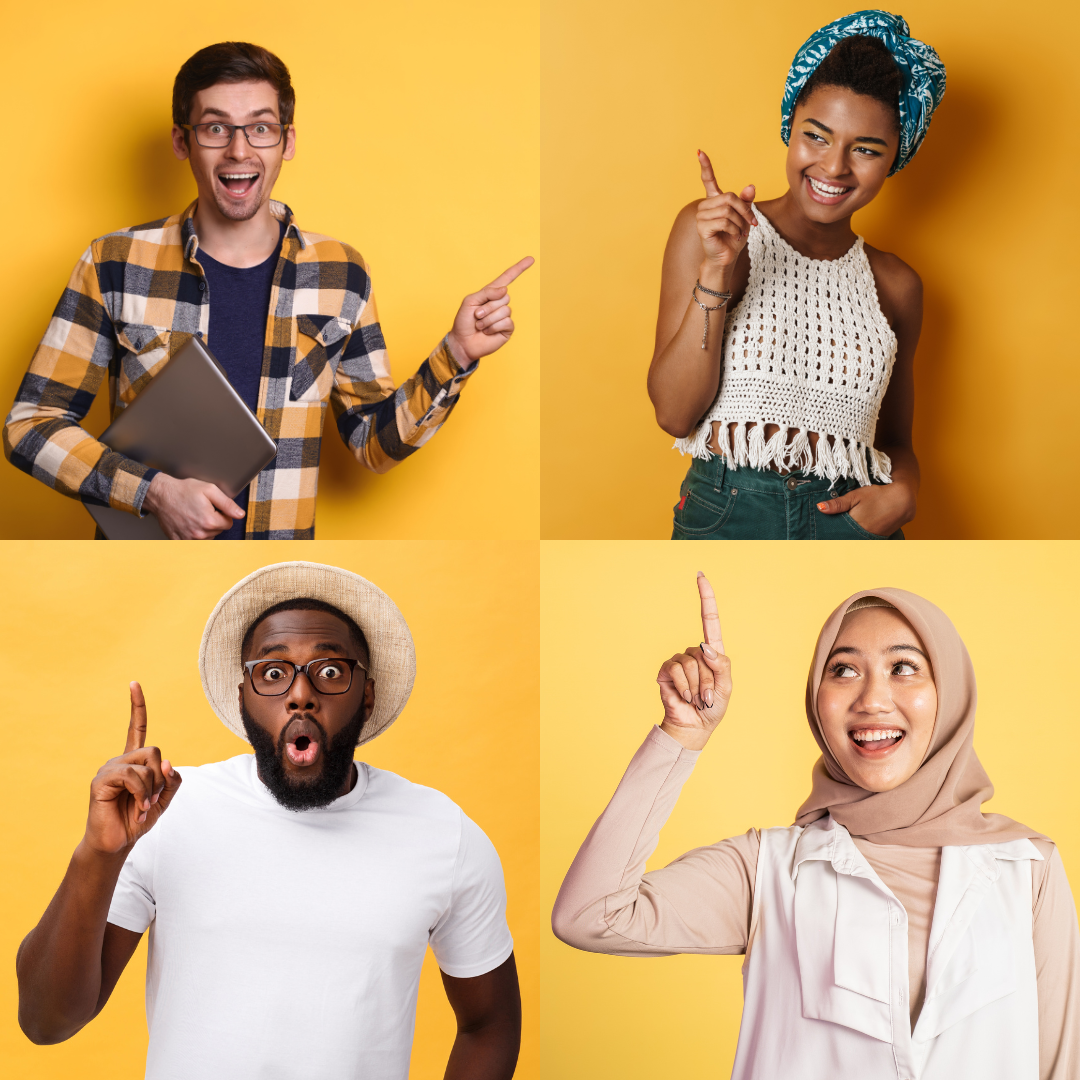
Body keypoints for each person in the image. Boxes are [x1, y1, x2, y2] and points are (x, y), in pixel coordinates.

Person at [552, 575, 1080, 1078]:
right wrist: (680, 735)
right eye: (844, 670)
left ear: (952, 693)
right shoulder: (769, 871)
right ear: (815, 700)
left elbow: (1061, 1064)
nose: (872, 699)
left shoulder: (1027, 869)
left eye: (904, 668)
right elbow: (590, 916)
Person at [3, 42, 533, 539]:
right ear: (182, 141)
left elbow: (373, 446)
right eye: (215, 128)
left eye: (260, 128)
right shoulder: (113, 262)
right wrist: (153, 492)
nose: (239, 150)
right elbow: (30, 427)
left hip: (275, 569)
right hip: (143, 571)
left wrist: (457, 355)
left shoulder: (341, 273)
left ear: (287, 141)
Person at [16, 562, 520, 1079]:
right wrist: (98, 855)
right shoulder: (165, 813)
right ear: (243, 699)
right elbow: (45, 1020)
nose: (301, 694)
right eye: (273, 674)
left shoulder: (442, 832)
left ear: (366, 696)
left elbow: (490, 1025)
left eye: (330, 672)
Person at [647, 12, 945, 539]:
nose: (834, 168)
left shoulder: (899, 284)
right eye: (817, 136)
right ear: (791, 127)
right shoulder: (712, 230)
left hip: (851, 519)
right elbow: (674, 415)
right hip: (728, 510)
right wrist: (719, 267)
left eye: (866, 149)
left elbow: (896, 440)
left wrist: (906, 489)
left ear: (896, 156)